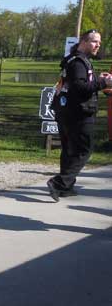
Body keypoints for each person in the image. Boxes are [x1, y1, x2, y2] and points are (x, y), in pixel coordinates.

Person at [47, 30, 112, 201]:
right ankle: (59, 183)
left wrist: (98, 81)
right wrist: (103, 82)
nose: (98, 45)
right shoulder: (78, 63)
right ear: (83, 42)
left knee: (70, 150)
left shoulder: (76, 60)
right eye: (94, 42)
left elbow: (80, 84)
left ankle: (65, 187)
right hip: (78, 113)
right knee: (84, 149)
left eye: (99, 42)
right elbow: (80, 89)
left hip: (66, 111)